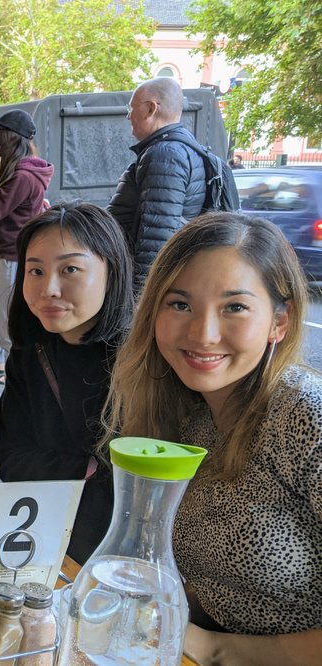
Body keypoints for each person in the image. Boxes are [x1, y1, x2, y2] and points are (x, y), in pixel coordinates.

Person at [104, 212, 321, 664]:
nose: (203, 334)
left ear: (280, 322)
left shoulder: (306, 417)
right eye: (180, 304)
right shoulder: (187, 416)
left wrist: (221, 648)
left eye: (235, 307)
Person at [0, 202, 132, 563]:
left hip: (112, 561)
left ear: (111, 272)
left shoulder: (142, 362)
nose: (49, 288)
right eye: (35, 271)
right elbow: (7, 456)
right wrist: (88, 468)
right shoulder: (30, 350)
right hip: (44, 543)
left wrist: (59, 467)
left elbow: (136, 487)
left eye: (70, 269)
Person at [0, 110, 54, 410]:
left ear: (9, 139)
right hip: (3, 254)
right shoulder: (20, 171)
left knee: (9, 332)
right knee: (3, 326)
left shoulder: (22, 175)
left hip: (9, 257)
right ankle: (10, 400)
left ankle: (13, 404)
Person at [108, 77, 208, 290]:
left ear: (150, 109)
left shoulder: (165, 154)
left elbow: (156, 235)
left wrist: (140, 297)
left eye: (131, 108)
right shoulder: (178, 148)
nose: (128, 116)